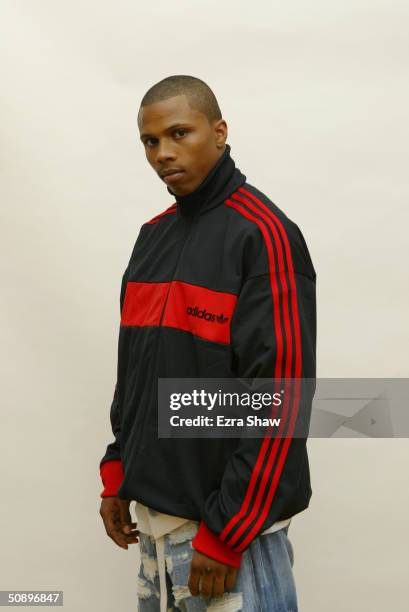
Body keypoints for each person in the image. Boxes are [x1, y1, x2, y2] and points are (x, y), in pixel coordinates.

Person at [98, 75, 317, 611]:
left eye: (179, 133)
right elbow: (137, 374)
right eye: (150, 141)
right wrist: (118, 470)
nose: (163, 153)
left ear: (219, 133)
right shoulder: (153, 236)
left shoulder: (263, 236)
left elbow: (280, 396)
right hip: (156, 524)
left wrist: (228, 530)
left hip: (229, 540)